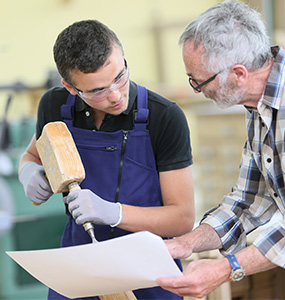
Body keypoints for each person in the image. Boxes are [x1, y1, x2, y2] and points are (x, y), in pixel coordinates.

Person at [18, 20, 195, 300]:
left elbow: (182, 218)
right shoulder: (54, 105)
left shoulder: (164, 117)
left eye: (120, 77)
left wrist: (115, 213)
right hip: (78, 267)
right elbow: (31, 154)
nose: (115, 96)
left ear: (122, 58)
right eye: (97, 90)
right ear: (70, 87)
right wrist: (29, 172)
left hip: (147, 273)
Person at [156, 0, 285, 298]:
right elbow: (247, 201)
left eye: (199, 81)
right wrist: (187, 243)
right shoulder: (259, 107)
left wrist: (227, 268)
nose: (196, 90)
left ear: (239, 74)